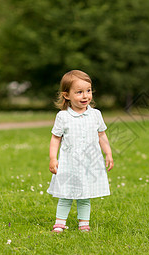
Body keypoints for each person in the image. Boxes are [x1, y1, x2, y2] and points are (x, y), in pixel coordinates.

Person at [47, 70, 114, 232]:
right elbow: (56, 138)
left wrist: (108, 153)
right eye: (79, 92)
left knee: (85, 195)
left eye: (88, 91)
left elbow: (102, 135)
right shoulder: (63, 117)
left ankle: (84, 224)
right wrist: (53, 158)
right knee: (66, 195)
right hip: (69, 163)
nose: (85, 96)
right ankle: (59, 223)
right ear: (66, 95)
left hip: (90, 163)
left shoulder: (95, 115)